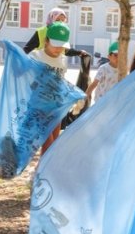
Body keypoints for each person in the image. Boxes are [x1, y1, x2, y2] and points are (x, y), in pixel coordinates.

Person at [30, 21, 77, 153]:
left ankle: (41, 171)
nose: (58, 49)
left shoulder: (63, 59)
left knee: (53, 145)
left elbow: (61, 82)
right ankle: (42, 171)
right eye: (55, 45)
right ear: (46, 41)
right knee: (48, 144)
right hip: (39, 108)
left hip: (57, 107)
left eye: (62, 46)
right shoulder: (35, 56)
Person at [87, 41, 120, 105]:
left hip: (113, 101)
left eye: (120, 55)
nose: (118, 58)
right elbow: (94, 83)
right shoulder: (103, 68)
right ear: (109, 56)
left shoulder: (121, 70)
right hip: (100, 100)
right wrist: (85, 97)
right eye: (115, 55)